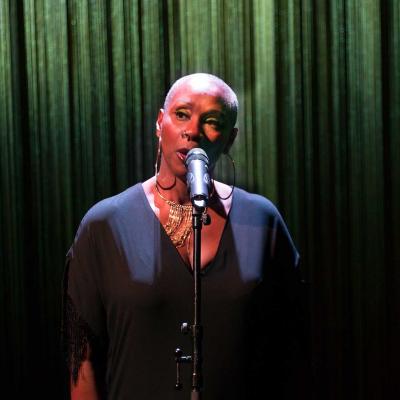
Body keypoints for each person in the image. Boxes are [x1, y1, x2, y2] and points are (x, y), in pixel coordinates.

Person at [62, 73, 307, 399]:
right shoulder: (106, 224)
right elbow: (83, 361)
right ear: (160, 124)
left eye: (212, 121)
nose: (193, 130)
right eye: (181, 115)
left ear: (229, 139)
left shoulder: (262, 221)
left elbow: (291, 348)